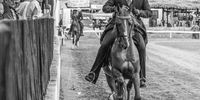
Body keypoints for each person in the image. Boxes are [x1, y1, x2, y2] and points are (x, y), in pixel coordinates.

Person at [85, 0, 152, 87]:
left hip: (134, 26)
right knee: (105, 44)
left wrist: (138, 12)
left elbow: (149, 12)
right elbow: (105, 8)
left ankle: (142, 77)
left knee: (142, 46)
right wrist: (115, 8)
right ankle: (94, 72)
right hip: (118, 24)